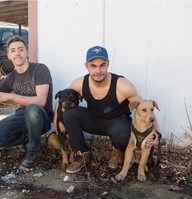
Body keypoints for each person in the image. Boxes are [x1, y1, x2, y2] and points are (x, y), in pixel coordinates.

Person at [53, 45, 160, 174]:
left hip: (116, 122)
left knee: (123, 131)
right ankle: (82, 154)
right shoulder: (79, 83)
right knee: (70, 114)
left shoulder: (123, 85)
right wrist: (56, 120)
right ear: (86, 66)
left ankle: (118, 151)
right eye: (93, 66)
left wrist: (156, 132)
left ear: (108, 64)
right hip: (93, 120)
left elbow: (145, 107)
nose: (98, 70)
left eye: (102, 65)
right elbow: (61, 97)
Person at [0, 36, 53, 171]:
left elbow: (41, 101)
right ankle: (28, 139)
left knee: (32, 108)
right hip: (21, 116)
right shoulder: (11, 77)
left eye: (21, 49)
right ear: (9, 55)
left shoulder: (40, 69)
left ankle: (34, 151)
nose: (17, 53)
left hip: (41, 118)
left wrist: (10, 96)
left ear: (27, 53)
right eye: (13, 50)